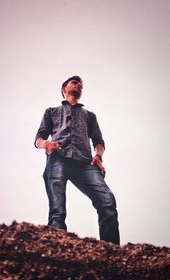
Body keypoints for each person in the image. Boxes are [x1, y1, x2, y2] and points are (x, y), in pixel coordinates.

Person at [34, 76, 120, 244]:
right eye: (74, 83)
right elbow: (39, 138)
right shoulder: (51, 111)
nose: (78, 85)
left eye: (81, 85)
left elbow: (98, 141)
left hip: (85, 163)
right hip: (58, 158)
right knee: (57, 210)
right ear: (63, 89)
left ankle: (111, 251)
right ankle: (58, 251)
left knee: (107, 201)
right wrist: (46, 144)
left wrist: (99, 156)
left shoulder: (89, 116)